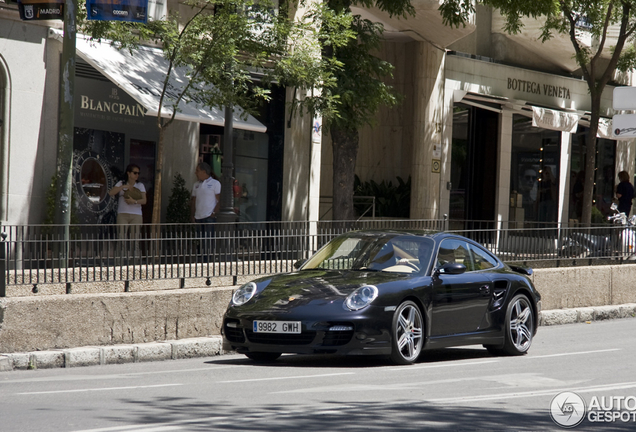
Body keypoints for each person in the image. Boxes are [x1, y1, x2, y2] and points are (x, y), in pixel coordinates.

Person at [108, 164, 147, 258]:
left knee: (135, 240)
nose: (137, 175)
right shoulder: (121, 183)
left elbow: (144, 200)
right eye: (135, 173)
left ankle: (135, 264)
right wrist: (123, 187)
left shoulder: (140, 185)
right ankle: (119, 264)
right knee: (121, 239)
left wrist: (134, 201)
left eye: (138, 173)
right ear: (129, 173)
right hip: (123, 214)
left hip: (136, 215)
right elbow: (111, 193)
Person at [191, 162, 221, 260]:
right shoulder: (196, 184)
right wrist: (192, 214)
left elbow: (220, 200)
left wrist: (214, 213)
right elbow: (193, 200)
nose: (196, 173)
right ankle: (200, 260)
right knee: (199, 240)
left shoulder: (215, 183)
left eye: (198, 171)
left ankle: (207, 261)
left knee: (208, 240)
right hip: (198, 216)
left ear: (204, 172)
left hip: (209, 216)